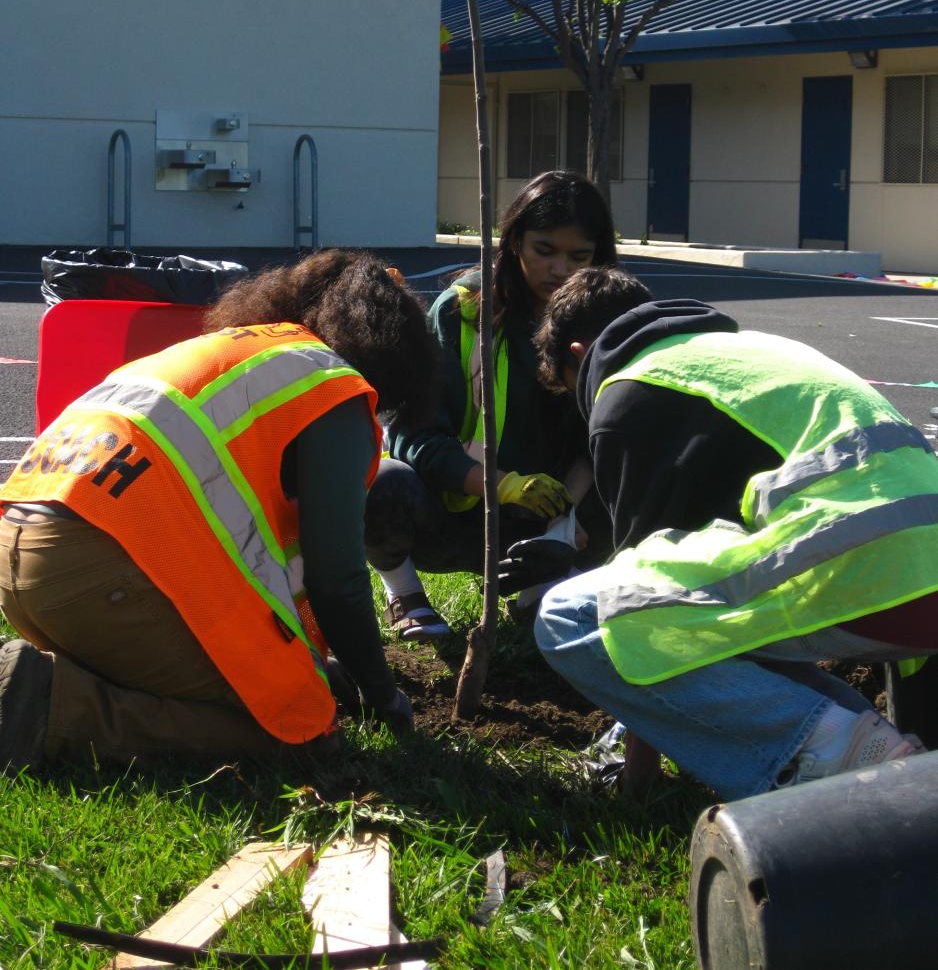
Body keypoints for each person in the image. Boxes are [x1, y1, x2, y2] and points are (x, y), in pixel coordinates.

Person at [0, 251, 439, 772]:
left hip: (23, 559)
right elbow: (336, 580)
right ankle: (50, 707)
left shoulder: (233, 355)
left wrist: (309, 662)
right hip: (100, 575)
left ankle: (68, 678)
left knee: (282, 684)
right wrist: (382, 695)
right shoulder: (330, 385)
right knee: (297, 729)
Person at [530, 266, 938, 800]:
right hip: (911, 578)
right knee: (722, 610)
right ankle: (878, 753)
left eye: (570, 388)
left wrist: (637, 785)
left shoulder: (627, 394)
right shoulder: (737, 355)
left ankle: (834, 754)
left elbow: (640, 615)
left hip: (866, 569)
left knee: (572, 616)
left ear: (581, 355)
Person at [365, 170, 619, 641]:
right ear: (515, 239)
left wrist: (565, 520)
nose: (560, 270)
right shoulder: (465, 310)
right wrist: (502, 485)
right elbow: (411, 435)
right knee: (382, 484)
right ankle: (405, 594)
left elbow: (605, 435)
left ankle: (541, 589)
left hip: (555, 517)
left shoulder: (604, 320)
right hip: (457, 511)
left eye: (578, 257)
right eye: (545, 251)